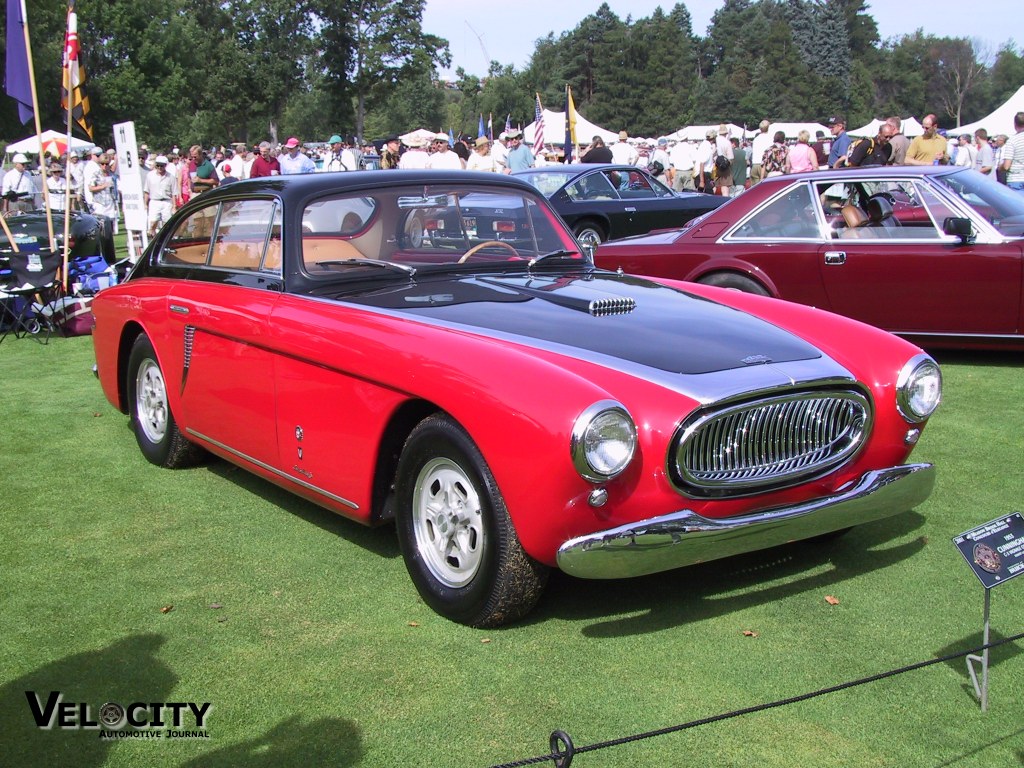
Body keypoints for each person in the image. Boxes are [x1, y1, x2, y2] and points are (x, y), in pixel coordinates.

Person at [143, 155, 175, 236]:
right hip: (154, 201)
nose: (160, 167)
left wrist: (174, 206)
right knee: (153, 223)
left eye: (162, 165)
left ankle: (165, 239)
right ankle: (153, 239)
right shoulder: (150, 175)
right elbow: (147, 190)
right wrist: (145, 204)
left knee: (167, 224)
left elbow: (174, 193)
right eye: (158, 165)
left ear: (165, 165)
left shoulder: (171, 177)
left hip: (167, 201)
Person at [1002, 111, 1024, 194]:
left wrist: (1000, 167)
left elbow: (1006, 166)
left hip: (1015, 179)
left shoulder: (1012, 140)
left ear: (1015, 124)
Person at [694, 129, 717, 194]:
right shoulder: (707, 147)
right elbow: (702, 163)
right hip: (703, 175)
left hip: (703, 175)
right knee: (709, 197)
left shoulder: (704, 145)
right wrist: (702, 181)